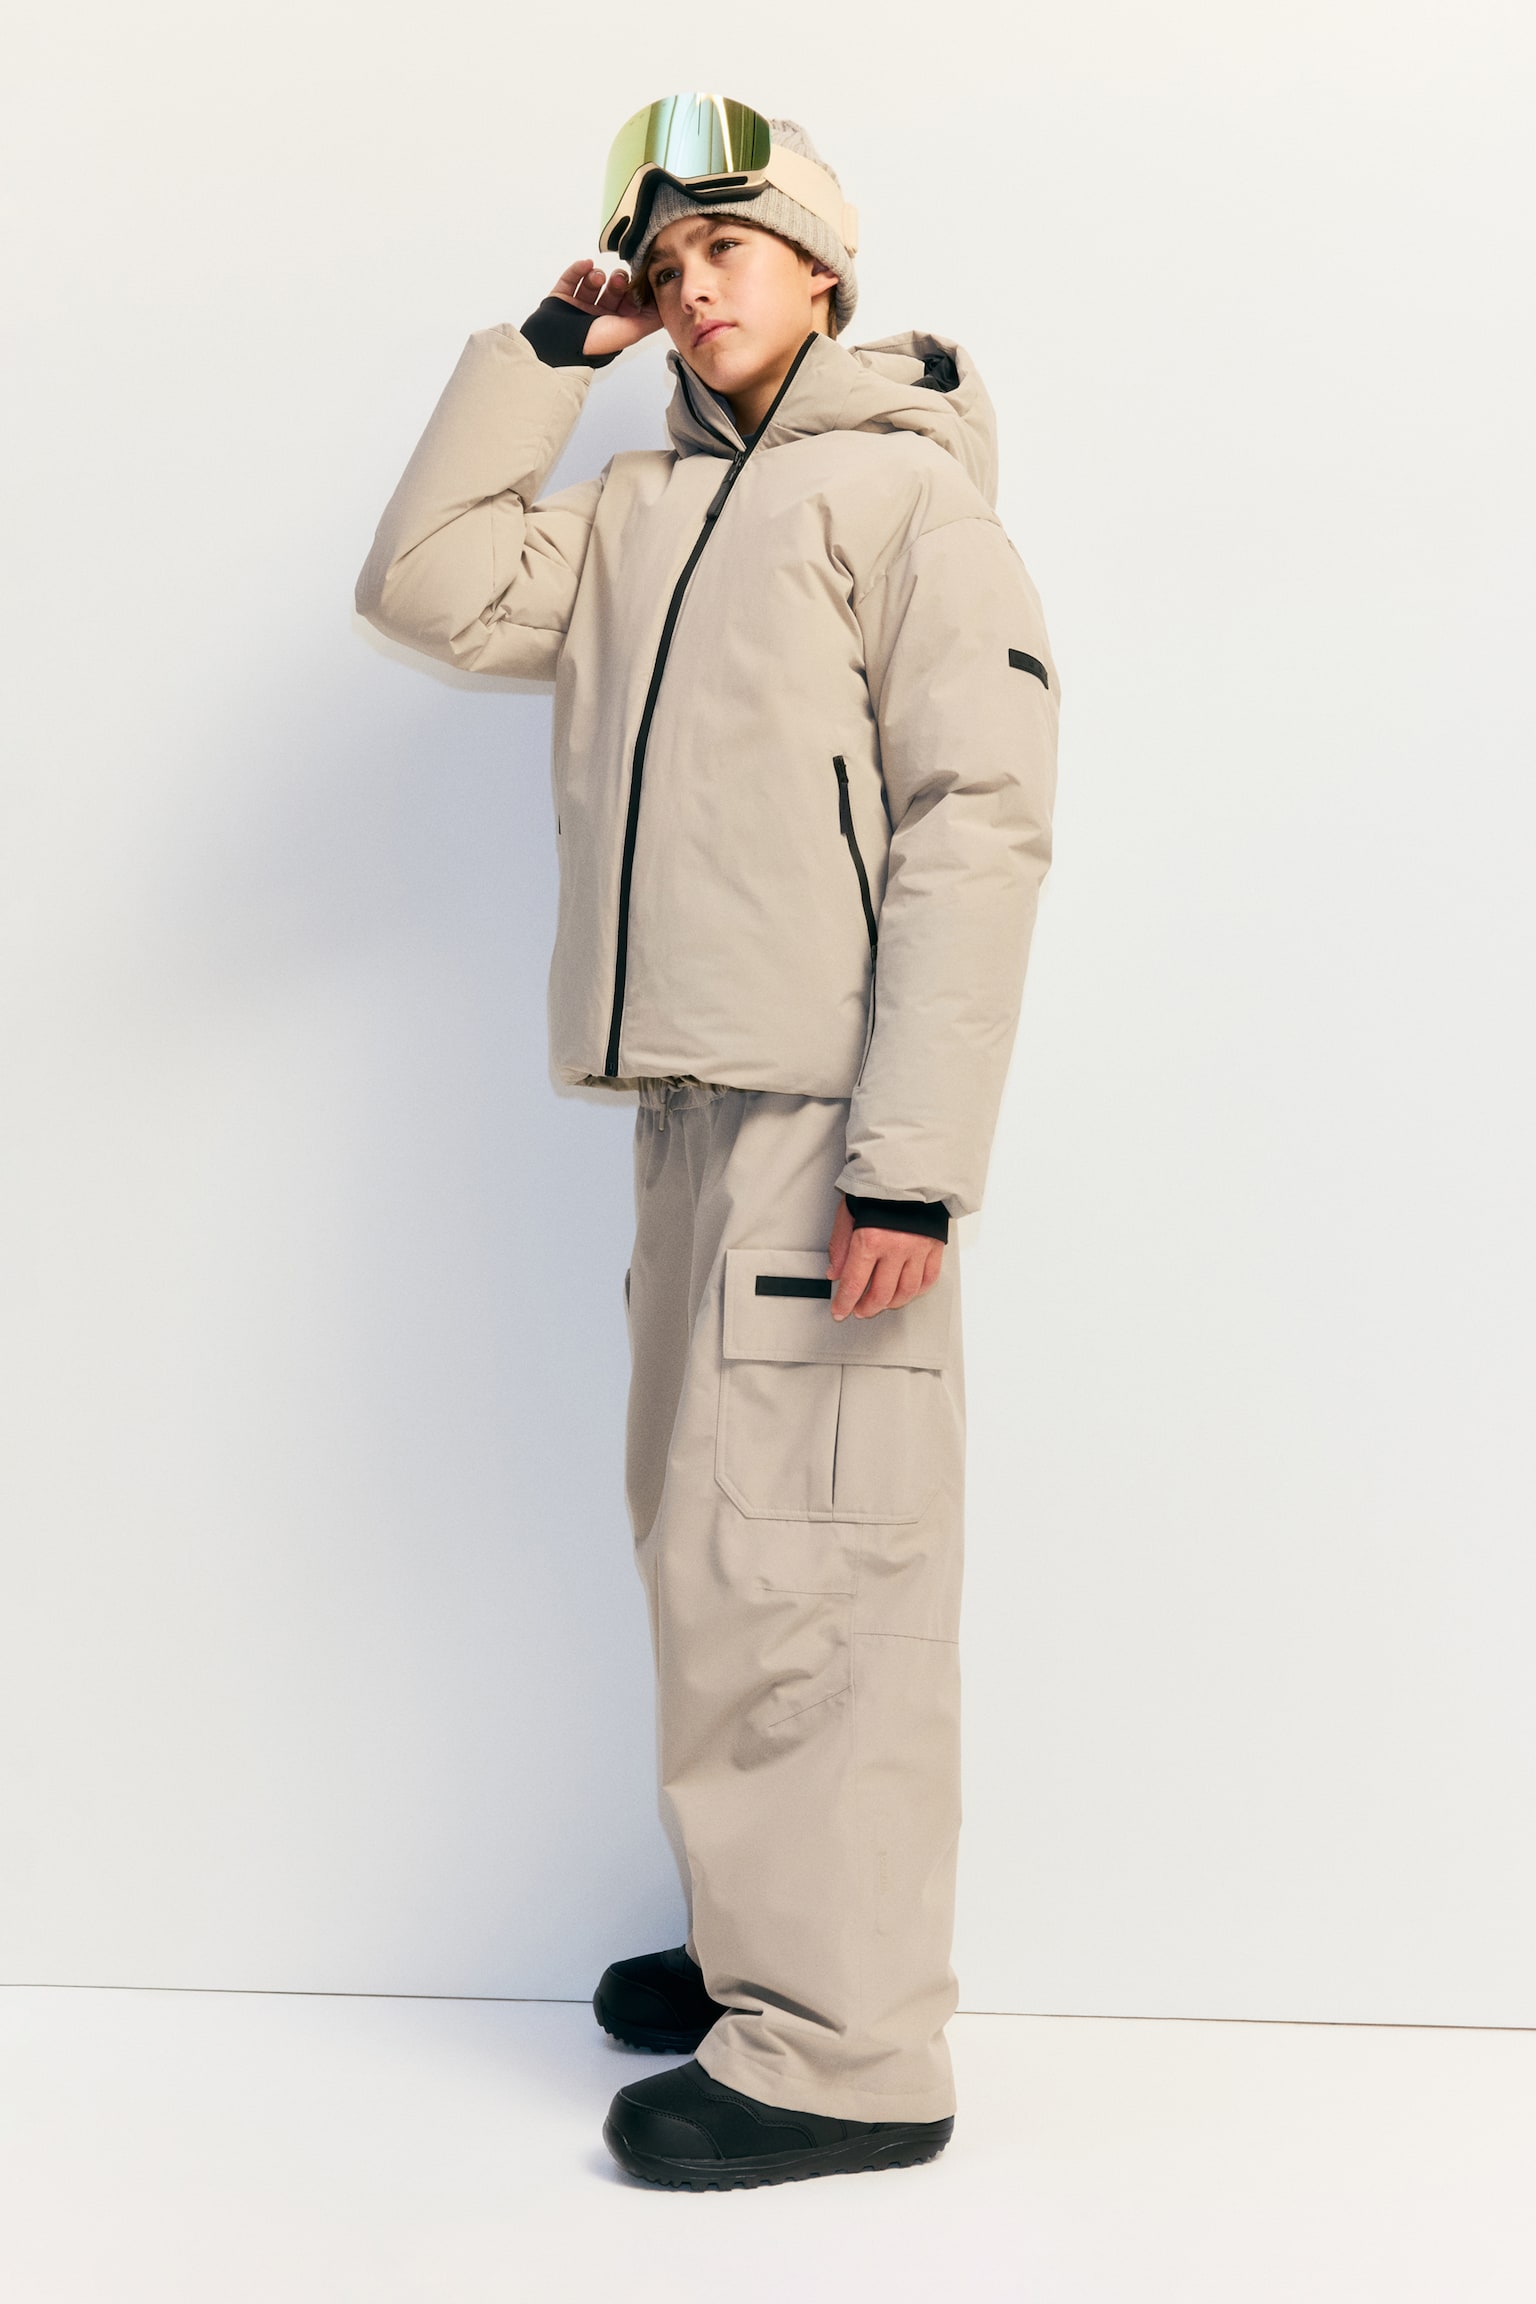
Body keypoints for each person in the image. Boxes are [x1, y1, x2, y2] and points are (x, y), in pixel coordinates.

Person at [356, 99, 1060, 2191]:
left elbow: (981, 826)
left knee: (818, 1568)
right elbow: (423, 587)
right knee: (715, 1548)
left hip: (826, 1122)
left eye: (727, 251)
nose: (690, 292)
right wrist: (543, 357)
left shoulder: (906, 499)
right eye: (664, 270)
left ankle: (846, 2050)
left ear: (825, 270)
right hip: (684, 1112)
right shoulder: (643, 514)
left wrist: (909, 1161)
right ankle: (774, 1942)